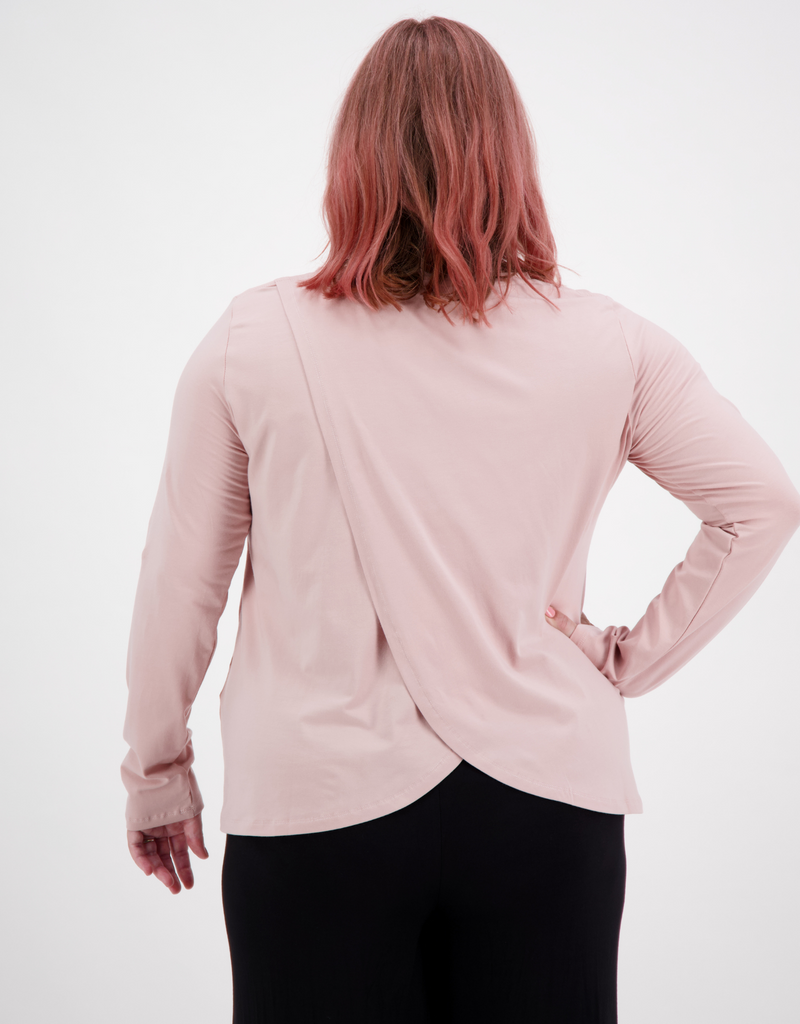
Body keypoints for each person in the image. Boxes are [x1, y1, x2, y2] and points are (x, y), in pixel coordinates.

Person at [121, 16, 800, 1024]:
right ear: (507, 156)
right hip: (544, 808)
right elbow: (761, 500)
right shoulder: (608, 345)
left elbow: (183, 579)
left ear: (351, 157)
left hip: (319, 806)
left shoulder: (251, 341)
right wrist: (622, 662)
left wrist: (157, 773)